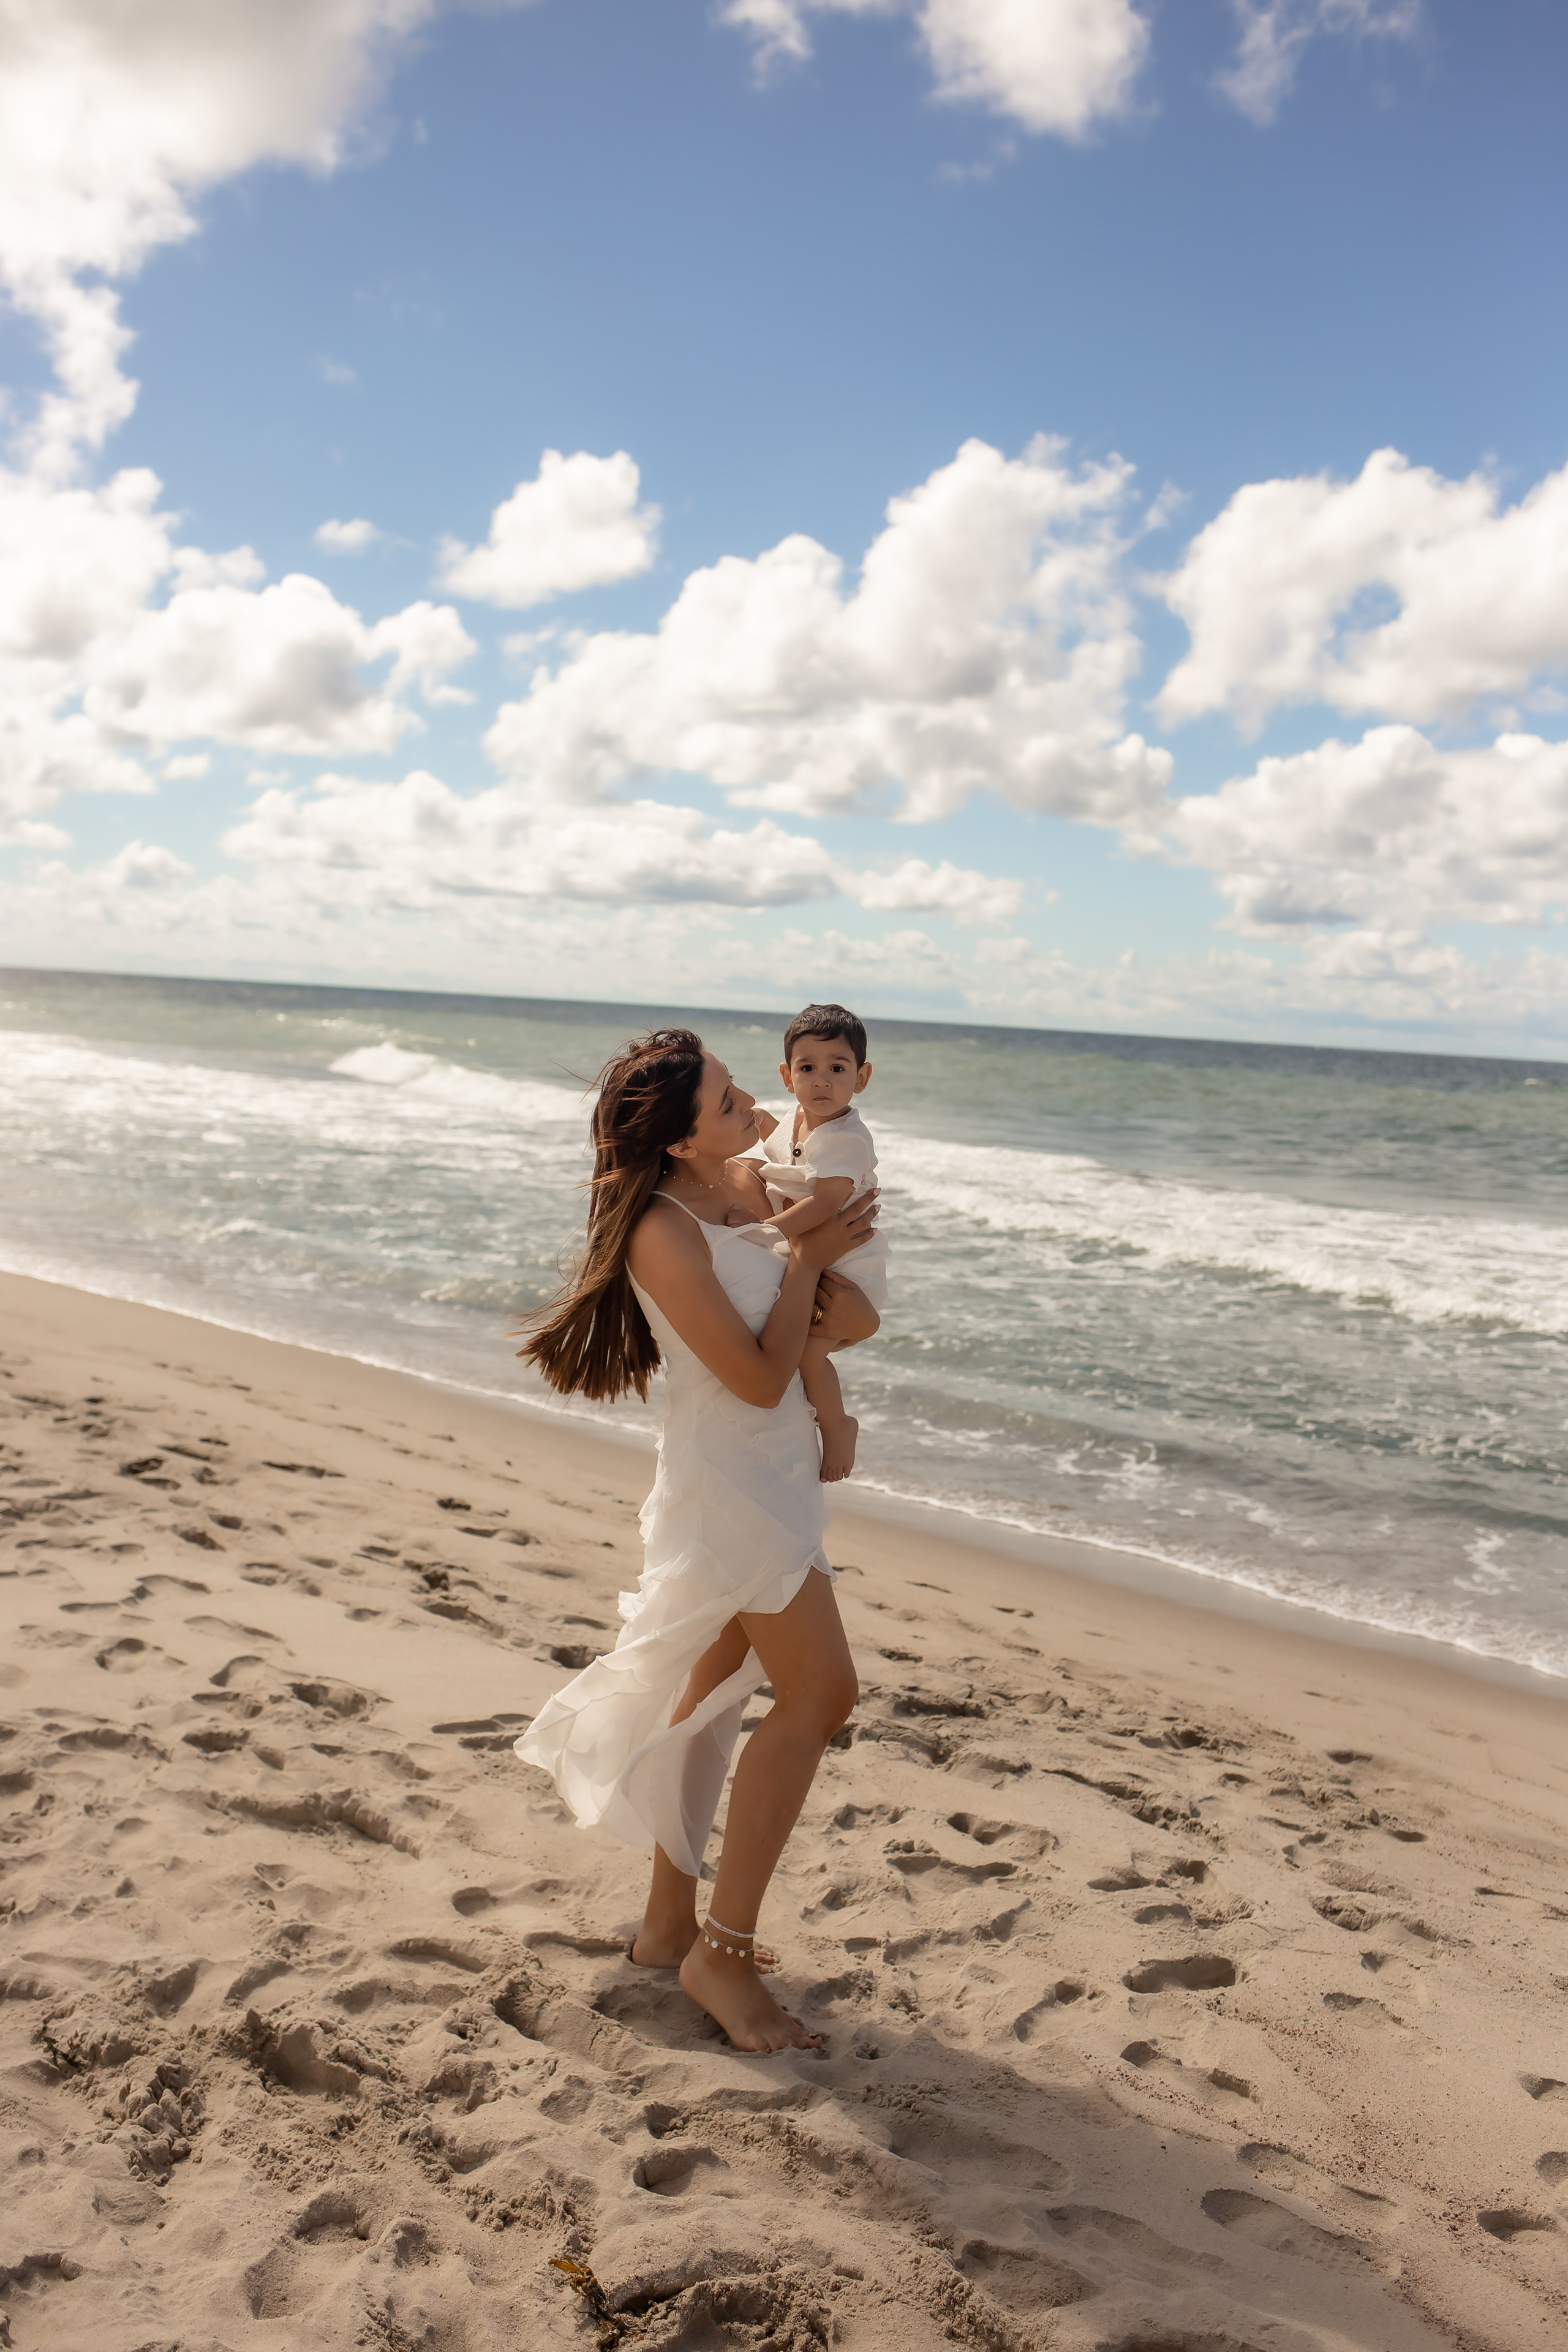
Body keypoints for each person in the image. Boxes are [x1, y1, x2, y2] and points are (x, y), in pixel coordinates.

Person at [513, 1028, 880, 2052]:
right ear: (675, 1143)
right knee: (822, 1693)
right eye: (724, 1103)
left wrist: (820, 1264)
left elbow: (834, 1328)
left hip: (778, 1474)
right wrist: (810, 1257)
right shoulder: (665, 1233)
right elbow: (758, 1378)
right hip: (731, 1485)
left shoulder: (753, 1192)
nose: (745, 1108)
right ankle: (721, 1950)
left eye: (733, 1093)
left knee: (713, 1698)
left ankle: (668, 1925)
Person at [749, 1003, 884, 1482]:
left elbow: (827, 1204)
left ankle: (838, 1424)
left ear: (861, 1078)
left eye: (837, 1068)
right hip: (821, 1250)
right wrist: (754, 1119)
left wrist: (766, 1234)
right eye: (808, 1068)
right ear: (789, 1077)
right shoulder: (799, 1121)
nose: (822, 1081)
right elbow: (781, 1144)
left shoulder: (846, 1138)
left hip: (848, 1262)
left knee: (809, 1352)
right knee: (792, 1338)